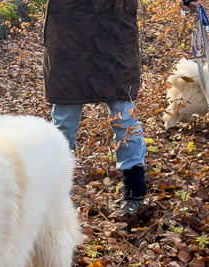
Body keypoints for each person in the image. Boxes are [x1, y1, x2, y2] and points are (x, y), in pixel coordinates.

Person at [43, 0, 148, 216]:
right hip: (69, 30)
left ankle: (134, 193)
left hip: (115, 30)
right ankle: (58, 197)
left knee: (124, 117)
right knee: (64, 122)